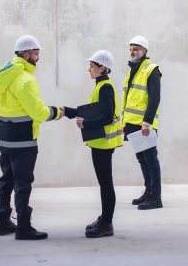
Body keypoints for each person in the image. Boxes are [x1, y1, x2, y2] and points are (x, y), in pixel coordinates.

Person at [0, 35, 64, 240]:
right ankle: (23, 227)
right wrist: (56, 112)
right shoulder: (25, 79)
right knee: (23, 183)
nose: (38, 58)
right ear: (26, 54)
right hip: (23, 138)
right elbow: (37, 111)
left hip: (5, 137)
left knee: (6, 179)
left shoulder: (6, 75)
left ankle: (4, 222)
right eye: (36, 54)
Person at [63, 50, 123, 238]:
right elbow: (91, 112)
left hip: (104, 145)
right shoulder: (101, 86)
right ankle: (105, 219)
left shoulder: (104, 87)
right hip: (101, 144)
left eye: (91, 66)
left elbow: (105, 117)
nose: (88, 69)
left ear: (102, 68)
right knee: (105, 183)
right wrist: (67, 111)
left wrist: (85, 124)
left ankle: (106, 224)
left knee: (105, 184)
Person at [121, 36, 163, 210]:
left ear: (143, 51)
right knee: (142, 159)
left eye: (136, 49)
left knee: (150, 158)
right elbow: (128, 97)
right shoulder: (133, 70)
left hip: (144, 123)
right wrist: (124, 122)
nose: (132, 52)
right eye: (131, 49)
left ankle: (156, 196)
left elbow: (154, 98)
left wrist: (147, 122)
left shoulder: (151, 69)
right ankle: (148, 191)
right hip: (132, 122)